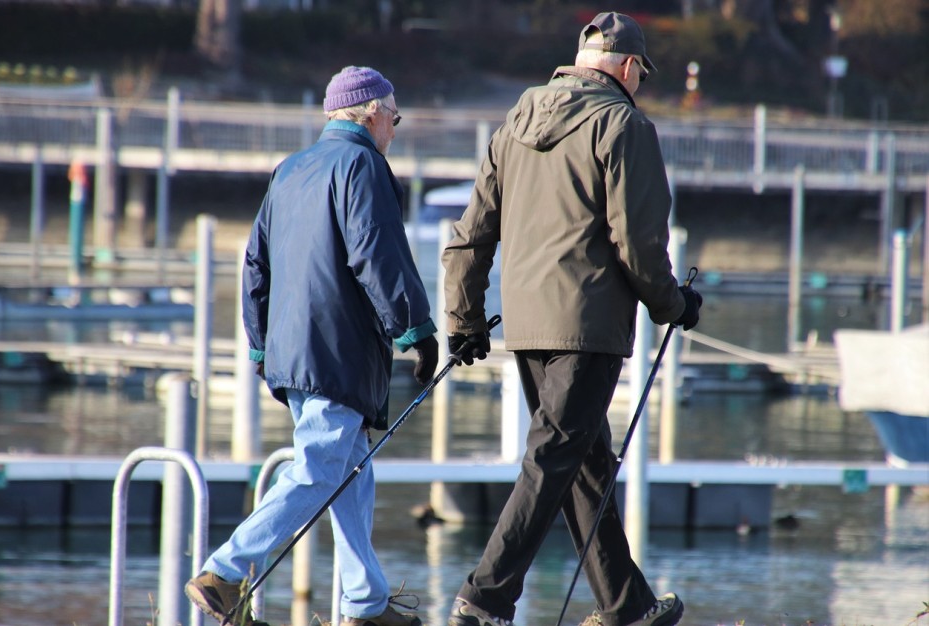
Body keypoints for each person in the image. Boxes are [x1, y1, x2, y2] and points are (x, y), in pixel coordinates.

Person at [441, 12, 701, 626]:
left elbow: (470, 235)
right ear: (630, 67)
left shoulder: (516, 118)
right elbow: (638, 244)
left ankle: (626, 606)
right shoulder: (625, 125)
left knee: (583, 463)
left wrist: (465, 320)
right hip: (587, 327)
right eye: (641, 73)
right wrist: (674, 305)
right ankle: (485, 597)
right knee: (555, 459)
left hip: (527, 325)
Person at [185, 65, 438, 626]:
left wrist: (259, 344)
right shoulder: (363, 164)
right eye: (394, 118)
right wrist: (416, 329)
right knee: (319, 468)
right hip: (337, 349)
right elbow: (378, 253)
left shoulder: (291, 169)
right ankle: (224, 573)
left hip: (291, 351)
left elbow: (256, 262)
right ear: (373, 113)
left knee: (350, 471)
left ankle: (365, 604)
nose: (394, 129)